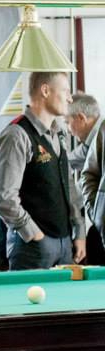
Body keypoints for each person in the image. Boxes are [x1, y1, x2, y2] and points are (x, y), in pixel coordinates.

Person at [0, 71, 96, 351]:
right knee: (26, 326)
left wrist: (78, 231)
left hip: (65, 243)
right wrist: (34, 234)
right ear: (45, 90)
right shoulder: (16, 135)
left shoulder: (61, 133)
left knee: (62, 324)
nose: (70, 97)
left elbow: (71, 186)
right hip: (32, 247)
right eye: (65, 90)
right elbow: (3, 199)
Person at [67, 93, 105, 265]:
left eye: (67, 122)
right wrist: (95, 212)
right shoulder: (97, 136)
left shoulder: (97, 134)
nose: (68, 129)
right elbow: (70, 164)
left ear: (81, 118)